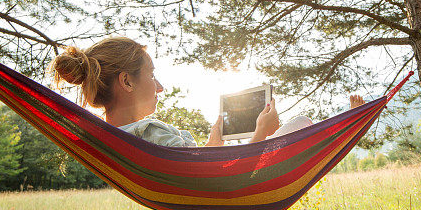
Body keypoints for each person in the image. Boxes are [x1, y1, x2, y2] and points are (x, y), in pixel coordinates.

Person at [51, 37, 365, 147]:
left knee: (296, 125)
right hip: (241, 178)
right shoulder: (147, 132)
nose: (160, 87)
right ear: (127, 82)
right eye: (152, 75)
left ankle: (342, 127)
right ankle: (346, 127)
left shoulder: (111, 138)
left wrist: (213, 141)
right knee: (303, 122)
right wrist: (259, 134)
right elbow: (223, 178)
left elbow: (199, 168)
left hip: (221, 170)